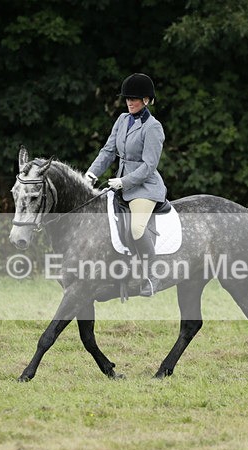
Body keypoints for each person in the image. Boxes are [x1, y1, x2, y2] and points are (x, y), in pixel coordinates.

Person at [86, 73, 167, 297]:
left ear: (146, 100)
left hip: (144, 188)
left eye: (134, 99)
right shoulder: (122, 119)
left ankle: (153, 276)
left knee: (136, 228)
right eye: (127, 98)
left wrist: (123, 181)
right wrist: (91, 173)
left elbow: (149, 166)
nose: (129, 102)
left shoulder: (153, 127)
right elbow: (108, 150)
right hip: (121, 185)